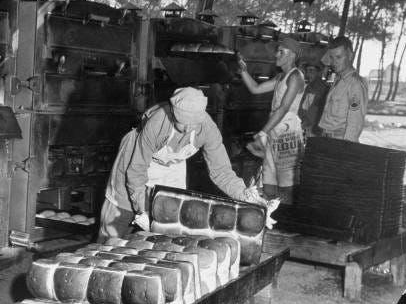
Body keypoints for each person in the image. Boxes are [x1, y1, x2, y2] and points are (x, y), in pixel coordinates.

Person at [98, 87, 258, 241]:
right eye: (183, 123)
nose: (188, 130)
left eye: (193, 124)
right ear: (173, 114)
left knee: (168, 220)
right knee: (118, 219)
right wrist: (142, 209)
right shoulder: (157, 123)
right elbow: (136, 171)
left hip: (172, 166)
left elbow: (221, 171)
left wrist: (244, 194)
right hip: (135, 158)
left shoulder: (208, 129)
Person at [238, 37, 305, 204]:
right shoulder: (281, 76)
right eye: (278, 50)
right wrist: (243, 70)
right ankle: (269, 217)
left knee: (286, 185)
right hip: (274, 132)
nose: (276, 54)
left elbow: (283, 108)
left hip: (288, 134)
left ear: (292, 55)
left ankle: (285, 222)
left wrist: (262, 132)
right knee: (269, 180)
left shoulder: (295, 76)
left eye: (282, 51)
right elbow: (255, 89)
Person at [318, 36, 368, 142]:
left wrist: (346, 149)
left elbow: (355, 122)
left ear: (350, 55)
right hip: (327, 138)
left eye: (339, 57)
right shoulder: (338, 80)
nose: (334, 62)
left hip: (341, 141)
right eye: (331, 57)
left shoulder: (355, 84)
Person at [298, 62, 329, 138]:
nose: (308, 74)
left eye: (311, 71)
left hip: (314, 129)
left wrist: (315, 129)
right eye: (307, 71)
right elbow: (304, 106)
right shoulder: (309, 87)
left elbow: (322, 111)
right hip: (306, 126)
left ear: (319, 73)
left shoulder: (324, 89)